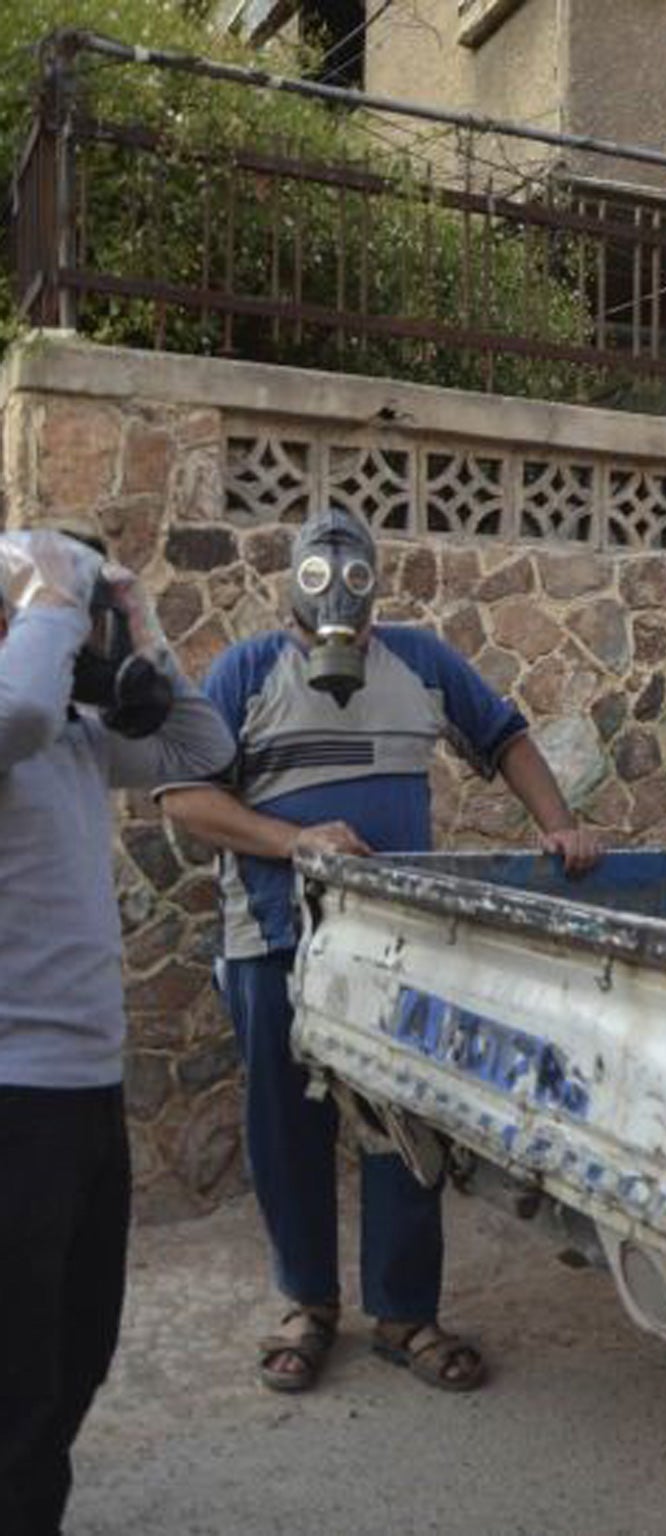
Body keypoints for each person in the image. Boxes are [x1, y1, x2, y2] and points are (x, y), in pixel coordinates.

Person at [158, 507, 602, 1396]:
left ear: (374, 589)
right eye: (320, 580)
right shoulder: (246, 671)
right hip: (275, 939)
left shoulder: (422, 663)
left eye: (353, 583)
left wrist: (558, 824)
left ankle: (405, 1314)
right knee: (286, 1128)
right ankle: (306, 1306)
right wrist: (294, 842)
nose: (339, 600)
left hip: (398, 944)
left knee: (405, 1123)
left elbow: (506, 735)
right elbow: (181, 797)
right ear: (292, 585)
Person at [0, 530, 234, 1535]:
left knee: (74, 1355)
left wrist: (141, 630)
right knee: (15, 1382)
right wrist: (50, 591)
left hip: (87, 1095)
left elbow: (202, 751)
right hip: (12, 1097)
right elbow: (15, 706)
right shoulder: (20, 718)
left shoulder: (73, 734)